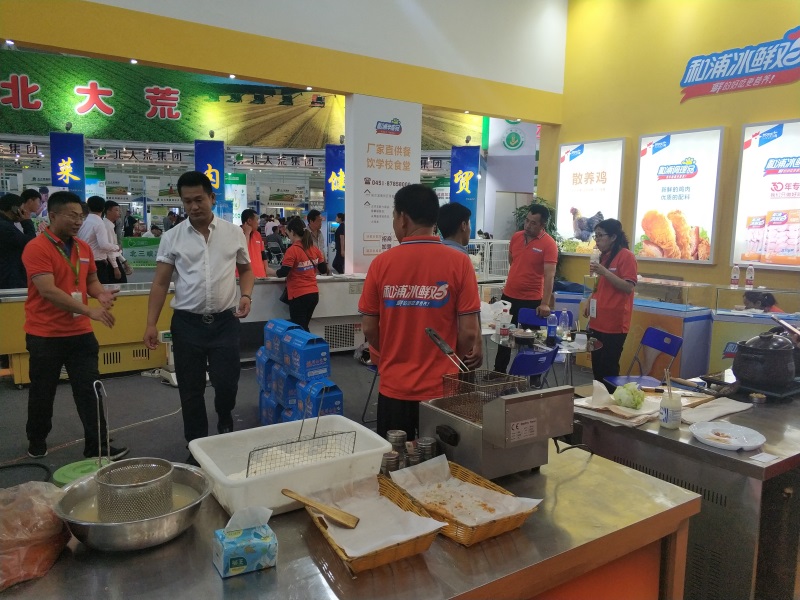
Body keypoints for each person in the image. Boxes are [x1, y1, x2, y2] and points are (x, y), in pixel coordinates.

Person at [358, 184, 482, 440]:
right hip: (442, 387)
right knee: (443, 459)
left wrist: (390, 356)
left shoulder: (381, 264)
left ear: (403, 218)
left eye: (394, 216)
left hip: (395, 387)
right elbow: (469, 333)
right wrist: (447, 359)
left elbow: (369, 328)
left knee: (396, 457)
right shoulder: (460, 263)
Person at [143, 171, 254, 457]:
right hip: (187, 325)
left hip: (225, 322)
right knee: (190, 390)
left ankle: (225, 417)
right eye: (187, 201)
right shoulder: (172, 237)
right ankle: (196, 446)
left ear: (212, 198)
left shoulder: (233, 233)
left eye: (199, 199)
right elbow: (160, 283)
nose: (193, 206)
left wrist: (245, 294)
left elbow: (246, 269)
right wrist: (150, 323)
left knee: (226, 384)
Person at [22, 191, 128, 460]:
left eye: (81, 216)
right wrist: (89, 310)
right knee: (43, 392)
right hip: (45, 334)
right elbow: (48, 290)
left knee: (90, 390)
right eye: (72, 216)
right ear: (52, 215)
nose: (78, 221)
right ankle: (37, 439)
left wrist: (100, 294)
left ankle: (98, 446)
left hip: (80, 334)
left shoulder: (82, 247)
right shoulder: (37, 247)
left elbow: (91, 281)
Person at [493, 204, 558, 374]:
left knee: (530, 339)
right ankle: (498, 372)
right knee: (504, 336)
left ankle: (532, 374)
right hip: (509, 295)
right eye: (527, 220)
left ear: (542, 225)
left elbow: (549, 275)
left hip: (532, 299)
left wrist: (545, 303)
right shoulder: (516, 237)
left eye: (533, 223)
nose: (528, 225)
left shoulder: (549, 244)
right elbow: (512, 260)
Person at [584, 219, 638, 391]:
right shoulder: (602, 256)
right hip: (597, 320)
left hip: (614, 324)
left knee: (608, 368)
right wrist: (589, 300)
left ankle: (612, 402)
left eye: (600, 236)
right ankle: (599, 401)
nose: (597, 240)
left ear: (613, 237)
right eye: (596, 236)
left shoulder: (626, 256)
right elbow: (598, 284)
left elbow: (628, 287)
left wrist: (605, 272)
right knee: (597, 368)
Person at [269, 216, 327, 331]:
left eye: (288, 233)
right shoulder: (314, 249)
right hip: (313, 294)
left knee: (299, 330)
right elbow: (323, 269)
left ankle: (308, 343)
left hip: (299, 295)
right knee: (304, 327)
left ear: (293, 232)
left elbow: (283, 272)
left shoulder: (292, 250)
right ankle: (310, 342)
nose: (288, 236)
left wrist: (269, 271)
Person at [77, 195, 119, 285]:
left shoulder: (84, 222)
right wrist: (116, 247)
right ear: (103, 209)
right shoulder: (99, 223)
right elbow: (103, 245)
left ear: (88, 208)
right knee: (99, 287)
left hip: (83, 260)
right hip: (97, 262)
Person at [0, 193, 36, 289]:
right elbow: (30, 243)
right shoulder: (5, 227)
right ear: (14, 209)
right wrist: (27, 221)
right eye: (22, 209)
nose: (25, 212)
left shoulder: (6, 224)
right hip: (8, 279)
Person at [103, 200, 132, 283]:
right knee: (120, 283)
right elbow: (109, 250)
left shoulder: (110, 225)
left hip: (113, 259)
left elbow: (114, 248)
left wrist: (124, 261)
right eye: (116, 210)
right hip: (110, 261)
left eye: (119, 210)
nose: (119, 212)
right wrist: (115, 267)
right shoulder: (106, 226)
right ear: (108, 211)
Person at [241, 208, 267, 278]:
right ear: (249, 221)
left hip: (261, 276)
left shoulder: (257, 234)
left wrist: (266, 269)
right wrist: (247, 234)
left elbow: (263, 254)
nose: (258, 222)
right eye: (257, 219)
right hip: (244, 277)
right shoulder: (238, 233)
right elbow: (242, 252)